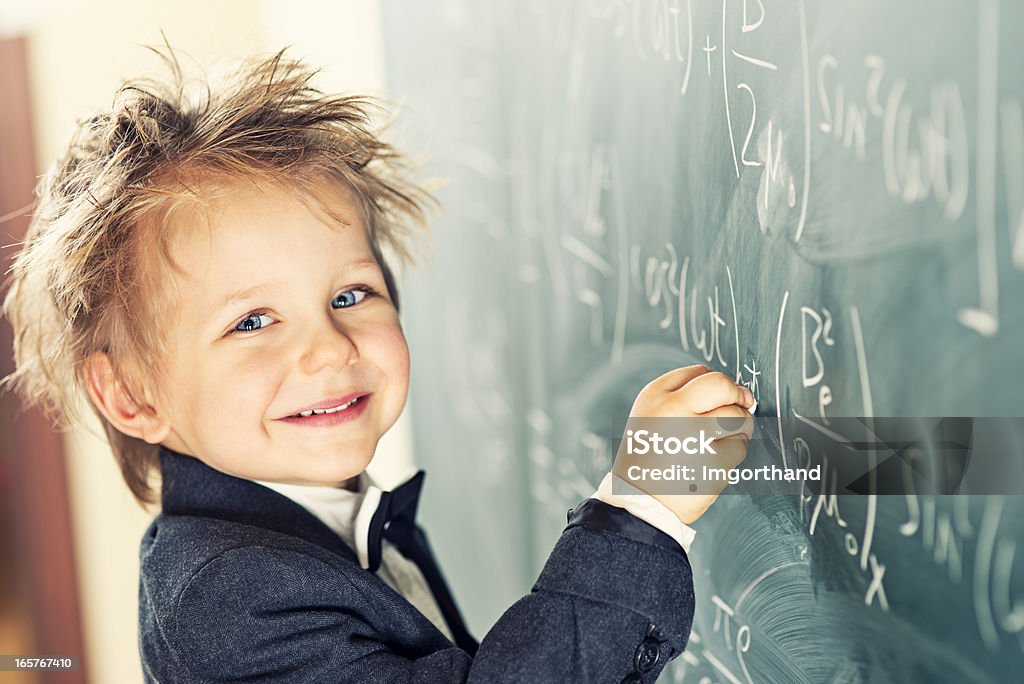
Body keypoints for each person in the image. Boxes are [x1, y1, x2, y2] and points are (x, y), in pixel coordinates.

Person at [2, 49, 754, 682]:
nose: (330, 348)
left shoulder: (312, 523)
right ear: (130, 394)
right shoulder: (228, 600)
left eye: (350, 293)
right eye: (252, 321)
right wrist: (643, 509)